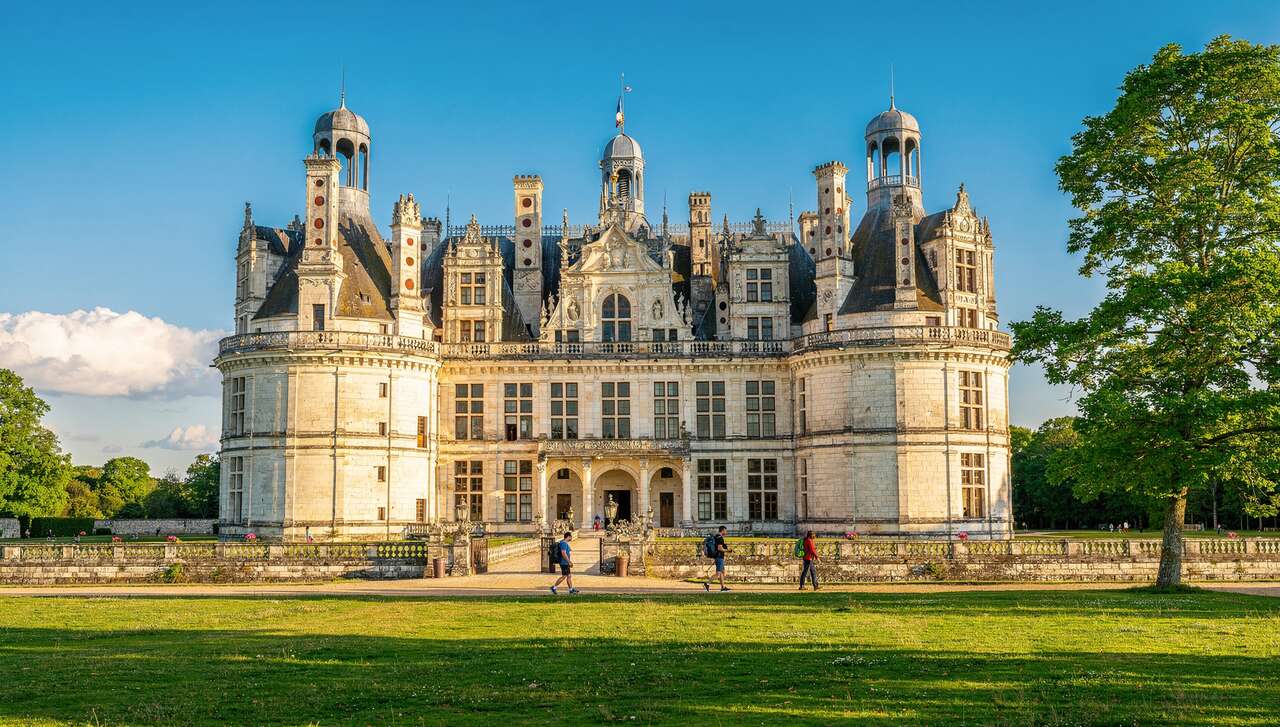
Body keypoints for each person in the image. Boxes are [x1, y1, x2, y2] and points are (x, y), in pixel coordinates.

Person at [704, 526, 732, 592]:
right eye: (725, 531)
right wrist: (728, 550)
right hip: (719, 557)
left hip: (718, 556)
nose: (726, 532)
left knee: (722, 572)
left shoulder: (716, 536)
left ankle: (723, 587)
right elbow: (720, 548)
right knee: (718, 574)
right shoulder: (720, 538)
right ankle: (707, 583)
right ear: (723, 530)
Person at [549, 531, 579, 595]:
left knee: (569, 576)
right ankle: (554, 587)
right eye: (571, 537)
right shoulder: (563, 543)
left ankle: (571, 590)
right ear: (568, 537)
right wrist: (569, 562)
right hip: (564, 562)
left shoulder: (564, 543)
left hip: (565, 562)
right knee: (564, 576)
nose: (571, 538)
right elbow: (563, 553)